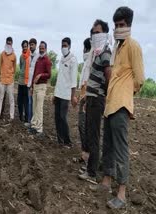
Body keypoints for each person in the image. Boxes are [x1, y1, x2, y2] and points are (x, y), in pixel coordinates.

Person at [90, 7, 145, 209]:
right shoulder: (117, 49)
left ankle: (121, 193)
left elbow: (139, 79)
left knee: (121, 148)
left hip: (121, 104)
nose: (118, 29)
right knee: (108, 146)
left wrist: (126, 93)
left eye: (122, 25)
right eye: (116, 26)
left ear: (129, 25)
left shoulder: (134, 46)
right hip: (110, 104)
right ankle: (106, 180)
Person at [79, 19, 112, 181]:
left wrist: (101, 94)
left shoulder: (105, 52)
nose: (94, 35)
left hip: (97, 98)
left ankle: (91, 172)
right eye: (93, 33)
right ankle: (90, 166)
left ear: (105, 34)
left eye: (98, 32)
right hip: (91, 97)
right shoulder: (97, 52)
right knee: (89, 133)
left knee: (93, 135)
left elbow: (108, 75)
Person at [53, 37, 78, 147]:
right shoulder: (62, 59)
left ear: (69, 46)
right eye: (62, 45)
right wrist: (54, 94)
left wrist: (73, 96)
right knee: (57, 116)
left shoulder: (73, 60)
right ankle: (59, 139)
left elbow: (73, 80)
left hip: (66, 94)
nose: (63, 47)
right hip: (58, 93)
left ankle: (67, 140)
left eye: (65, 45)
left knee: (63, 117)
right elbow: (59, 79)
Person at [29, 41, 52, 136]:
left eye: (43, 48)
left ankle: (39, 129)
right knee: (34, 107)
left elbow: (49, 74)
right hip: (35, 86)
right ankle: (34, 126)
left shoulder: (47, 60)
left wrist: (41, 75)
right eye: (40, 48)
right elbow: (34, 73)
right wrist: (31, 86)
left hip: (42, 86)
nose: (41, 49)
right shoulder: (38, 59)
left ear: (45, 49)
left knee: (39, 108)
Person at [0, 37, 17, 121]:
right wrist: (2, 74)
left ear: (12, 44)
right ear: (6, 43)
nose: (9, 44)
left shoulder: (14, 55)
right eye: (7, 43)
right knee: (0, 98)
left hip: (10, 80)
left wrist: (10, 74)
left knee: (11, 99)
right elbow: (0, 66)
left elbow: (14, 69)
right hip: (2, 80)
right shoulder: (2, 54)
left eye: (10, 43)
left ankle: (11, 117)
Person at [78, 37, 91, 166]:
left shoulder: (91, 61)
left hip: (87, 98)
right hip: (83, 97)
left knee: (85, 127)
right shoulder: (86, 62)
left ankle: (88, 156)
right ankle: (84, 154)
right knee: (82, 127)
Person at [26, 38, 39, 127]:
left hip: (35, 85)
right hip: (29, 83)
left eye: (32, 45)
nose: (31, 46)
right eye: (30, 45)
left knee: (35, 104)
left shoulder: (38, 57)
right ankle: (30, 121)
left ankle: (34, 123)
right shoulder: (29, 56)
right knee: (29, 103)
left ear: (36, 45)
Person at [17, 40, 30, 123]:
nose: (24, 48)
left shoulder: (30, 56)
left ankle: (26, 118)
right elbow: (21, 67)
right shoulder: (21, 56)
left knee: (26, 101)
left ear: (27, 46)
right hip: (20, 81)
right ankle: (20, 116)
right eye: (23, 46)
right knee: (19, 100)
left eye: (26, 46)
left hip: (27, 82)